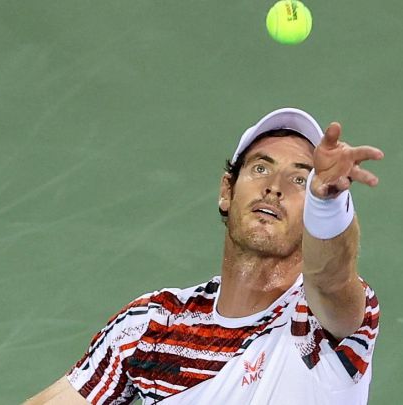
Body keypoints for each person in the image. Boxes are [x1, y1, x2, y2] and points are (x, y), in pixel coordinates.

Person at [24, 107, 383, 404]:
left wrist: (327, 203)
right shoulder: (152, 326)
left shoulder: (320, 325)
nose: (274, 187)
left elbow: (331, 277)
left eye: (300, 180)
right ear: (227, 190)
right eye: (261, 168)